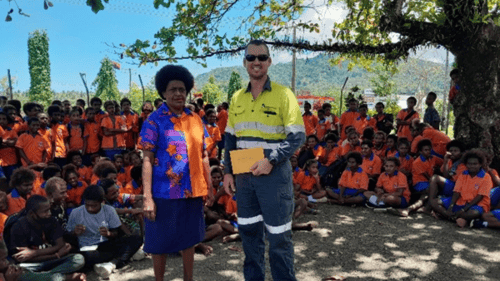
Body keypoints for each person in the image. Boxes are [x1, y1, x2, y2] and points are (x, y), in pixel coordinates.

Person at [223, 40, 305, 281]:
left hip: (274, 177)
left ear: (269, 62)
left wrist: (271, 160)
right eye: (251, 58)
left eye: (261, 57)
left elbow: (298, 135)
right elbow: (230, 137)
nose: (256, 61)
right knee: (249, 236)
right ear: (245, 63)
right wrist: (227, 172)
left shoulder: (283, 94)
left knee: (279, 239)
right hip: (244, 178)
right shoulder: (237, 97)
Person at [140, 65, 213, 281]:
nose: (178, 93)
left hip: (192, 191)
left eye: (182, 89)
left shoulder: (196, 119)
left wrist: (208, 186)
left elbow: (204, 156)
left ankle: (188, 278)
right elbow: (146, 160)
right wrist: (147, 198)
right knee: (160, 243)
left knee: (189, 239)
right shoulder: (154, 121)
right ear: (163, 92)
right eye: (173, 89)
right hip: (164, 193)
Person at [66, 185, 143, 278]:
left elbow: (116, 233)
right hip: (87, 250)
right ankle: (123, 256)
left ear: (102, 202)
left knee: (137, 238)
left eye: (94, 206)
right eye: (87, 205)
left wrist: (108, 234)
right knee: (81, 258)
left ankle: (111, 264)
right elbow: (68, 235)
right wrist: (74, 232)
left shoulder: (109, 210)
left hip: (105, 245)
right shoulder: (76, 212)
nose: (90, 208)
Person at [7, 195, 86, 280]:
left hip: (52, 261)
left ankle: (47, 277)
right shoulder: (18, 227)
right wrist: (57, 254)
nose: (49, 213)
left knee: (78, 259)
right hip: (31, 265)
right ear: (31, 213)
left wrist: (34, 253)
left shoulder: (51, 220)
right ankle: (62, 277)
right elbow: (24, 258)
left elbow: (60, 244)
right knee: (20, 273)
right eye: (45, 211)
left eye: (49, 209)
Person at [430, 150, 492, 228]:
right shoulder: (463, 174)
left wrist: (463, 209)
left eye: (475, 164)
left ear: (480, 164)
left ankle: (447, 216)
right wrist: (451, 206)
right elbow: (456, 192)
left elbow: (480, 197)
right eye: (469, 164)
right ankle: (452, 217)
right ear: (466, 164)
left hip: (476, 204)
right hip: (461, 201)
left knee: (474, 213)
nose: (472, 166)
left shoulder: (486, 177)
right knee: (434, 202)